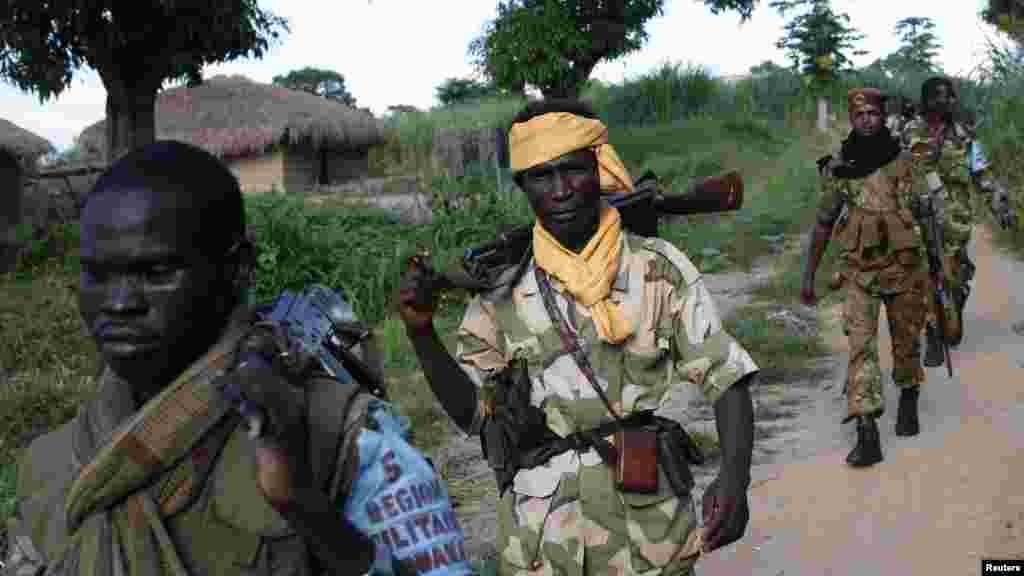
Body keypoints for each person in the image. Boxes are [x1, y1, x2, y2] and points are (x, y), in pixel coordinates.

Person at [398, 99, 759, 576]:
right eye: (542, 176)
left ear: (599, 168)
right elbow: (474, 415)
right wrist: (421, 332)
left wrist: (735, 478)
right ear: (522, 185)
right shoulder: (501, 287)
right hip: (544, 541)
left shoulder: (654, 266)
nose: (562, 190)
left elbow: (726, 376)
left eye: (573, 170)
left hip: (648, 531)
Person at [2, 141, 384, 575]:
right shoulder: (49, 465)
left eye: (157, 273)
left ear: (238, 269)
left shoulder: (350, 437)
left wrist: (299, 501)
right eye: (97, 275)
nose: (120, 302)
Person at [802, 88, 929, 467]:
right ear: (851, 119)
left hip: (903, 269)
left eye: (873, 113)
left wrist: (933, 264)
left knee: (906, 340)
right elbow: (824, 222)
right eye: (859, 115)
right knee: (860, 349)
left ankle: (908, 394)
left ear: (882, 116)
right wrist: (809, 275)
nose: (867, 120)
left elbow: (923, 213)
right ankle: (866, 430)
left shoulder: (904, 162)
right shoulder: (841, 168)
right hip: (859, 272)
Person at [901, 77, 1017, 364]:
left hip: (956, 213)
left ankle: (955, 298)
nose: (947, 102)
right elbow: (899, 170)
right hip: (920, 212)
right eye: (940, 97)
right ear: (926, 101)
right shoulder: (909, 131)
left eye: (950, 97)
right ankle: (931, 334)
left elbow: (981, 173)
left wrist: (999, 205)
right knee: (922, 270)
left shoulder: (964, 134)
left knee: (955, 270)